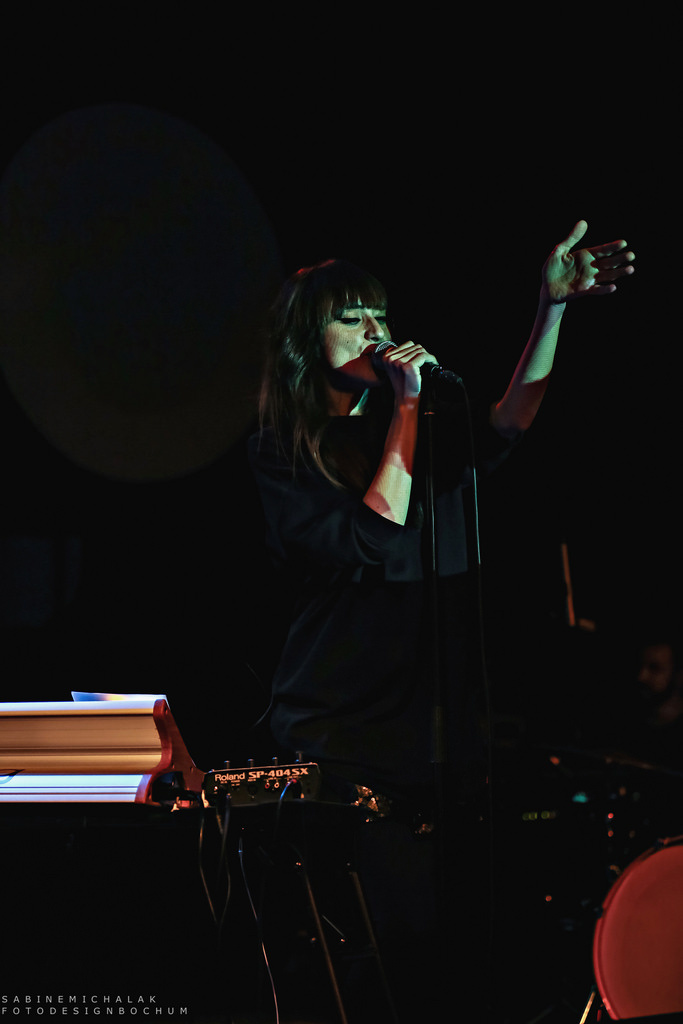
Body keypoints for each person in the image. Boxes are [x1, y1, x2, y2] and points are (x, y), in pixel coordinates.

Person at [247, 222, 635, 1021]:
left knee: (451, 964)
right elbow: (373, 532)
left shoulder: (422, 426)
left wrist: (550, 309)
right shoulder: (286, 452)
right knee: (370, 967)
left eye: (379, 314)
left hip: (434, 735)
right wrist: (407, 406)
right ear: (305, 340)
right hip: (343, 735)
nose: (375, 330)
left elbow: (508, 424)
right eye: (351, 317)